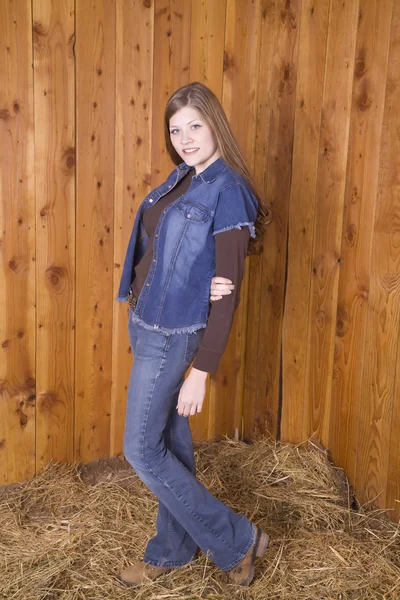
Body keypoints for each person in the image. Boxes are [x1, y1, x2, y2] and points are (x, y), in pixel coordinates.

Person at [115, 82, 272, 588]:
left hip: (172, 337)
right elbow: (163, 250)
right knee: (167, 444)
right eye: (175, 129)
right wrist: (185, 276)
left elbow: (227, 292)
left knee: (141, 449)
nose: (184, 138)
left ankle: (236, 539)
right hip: (146, 323)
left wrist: (201, 370)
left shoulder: (228, 191)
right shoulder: (182, 177)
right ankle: (172, 550)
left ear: (215, 124)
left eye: (195, 126)